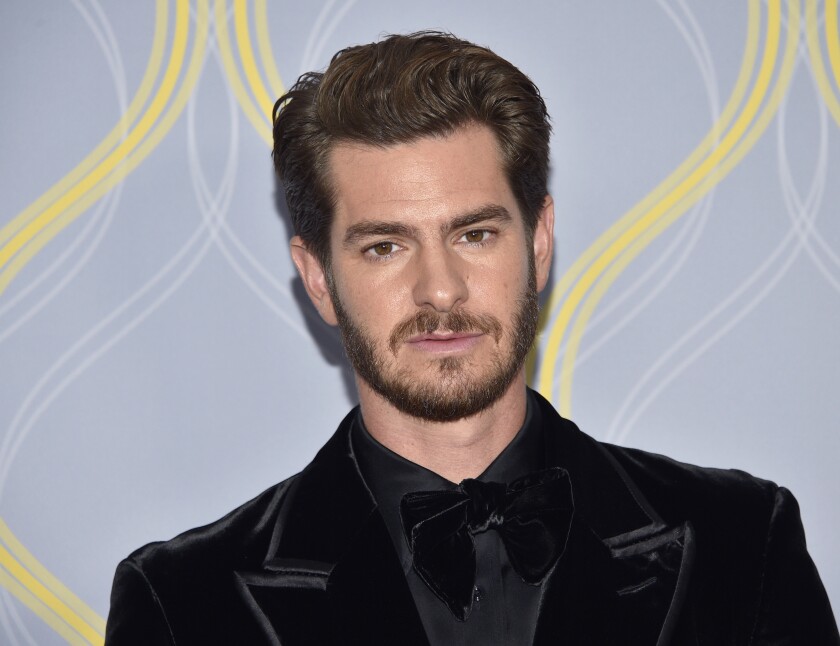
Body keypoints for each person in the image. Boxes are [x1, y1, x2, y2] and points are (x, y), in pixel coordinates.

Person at [104, 31, 839, 645]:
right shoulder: (182, 602)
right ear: (319, 278)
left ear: (539, 242)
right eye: (384, 247)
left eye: (475, 233)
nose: (441, 289)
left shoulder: (743, 543)